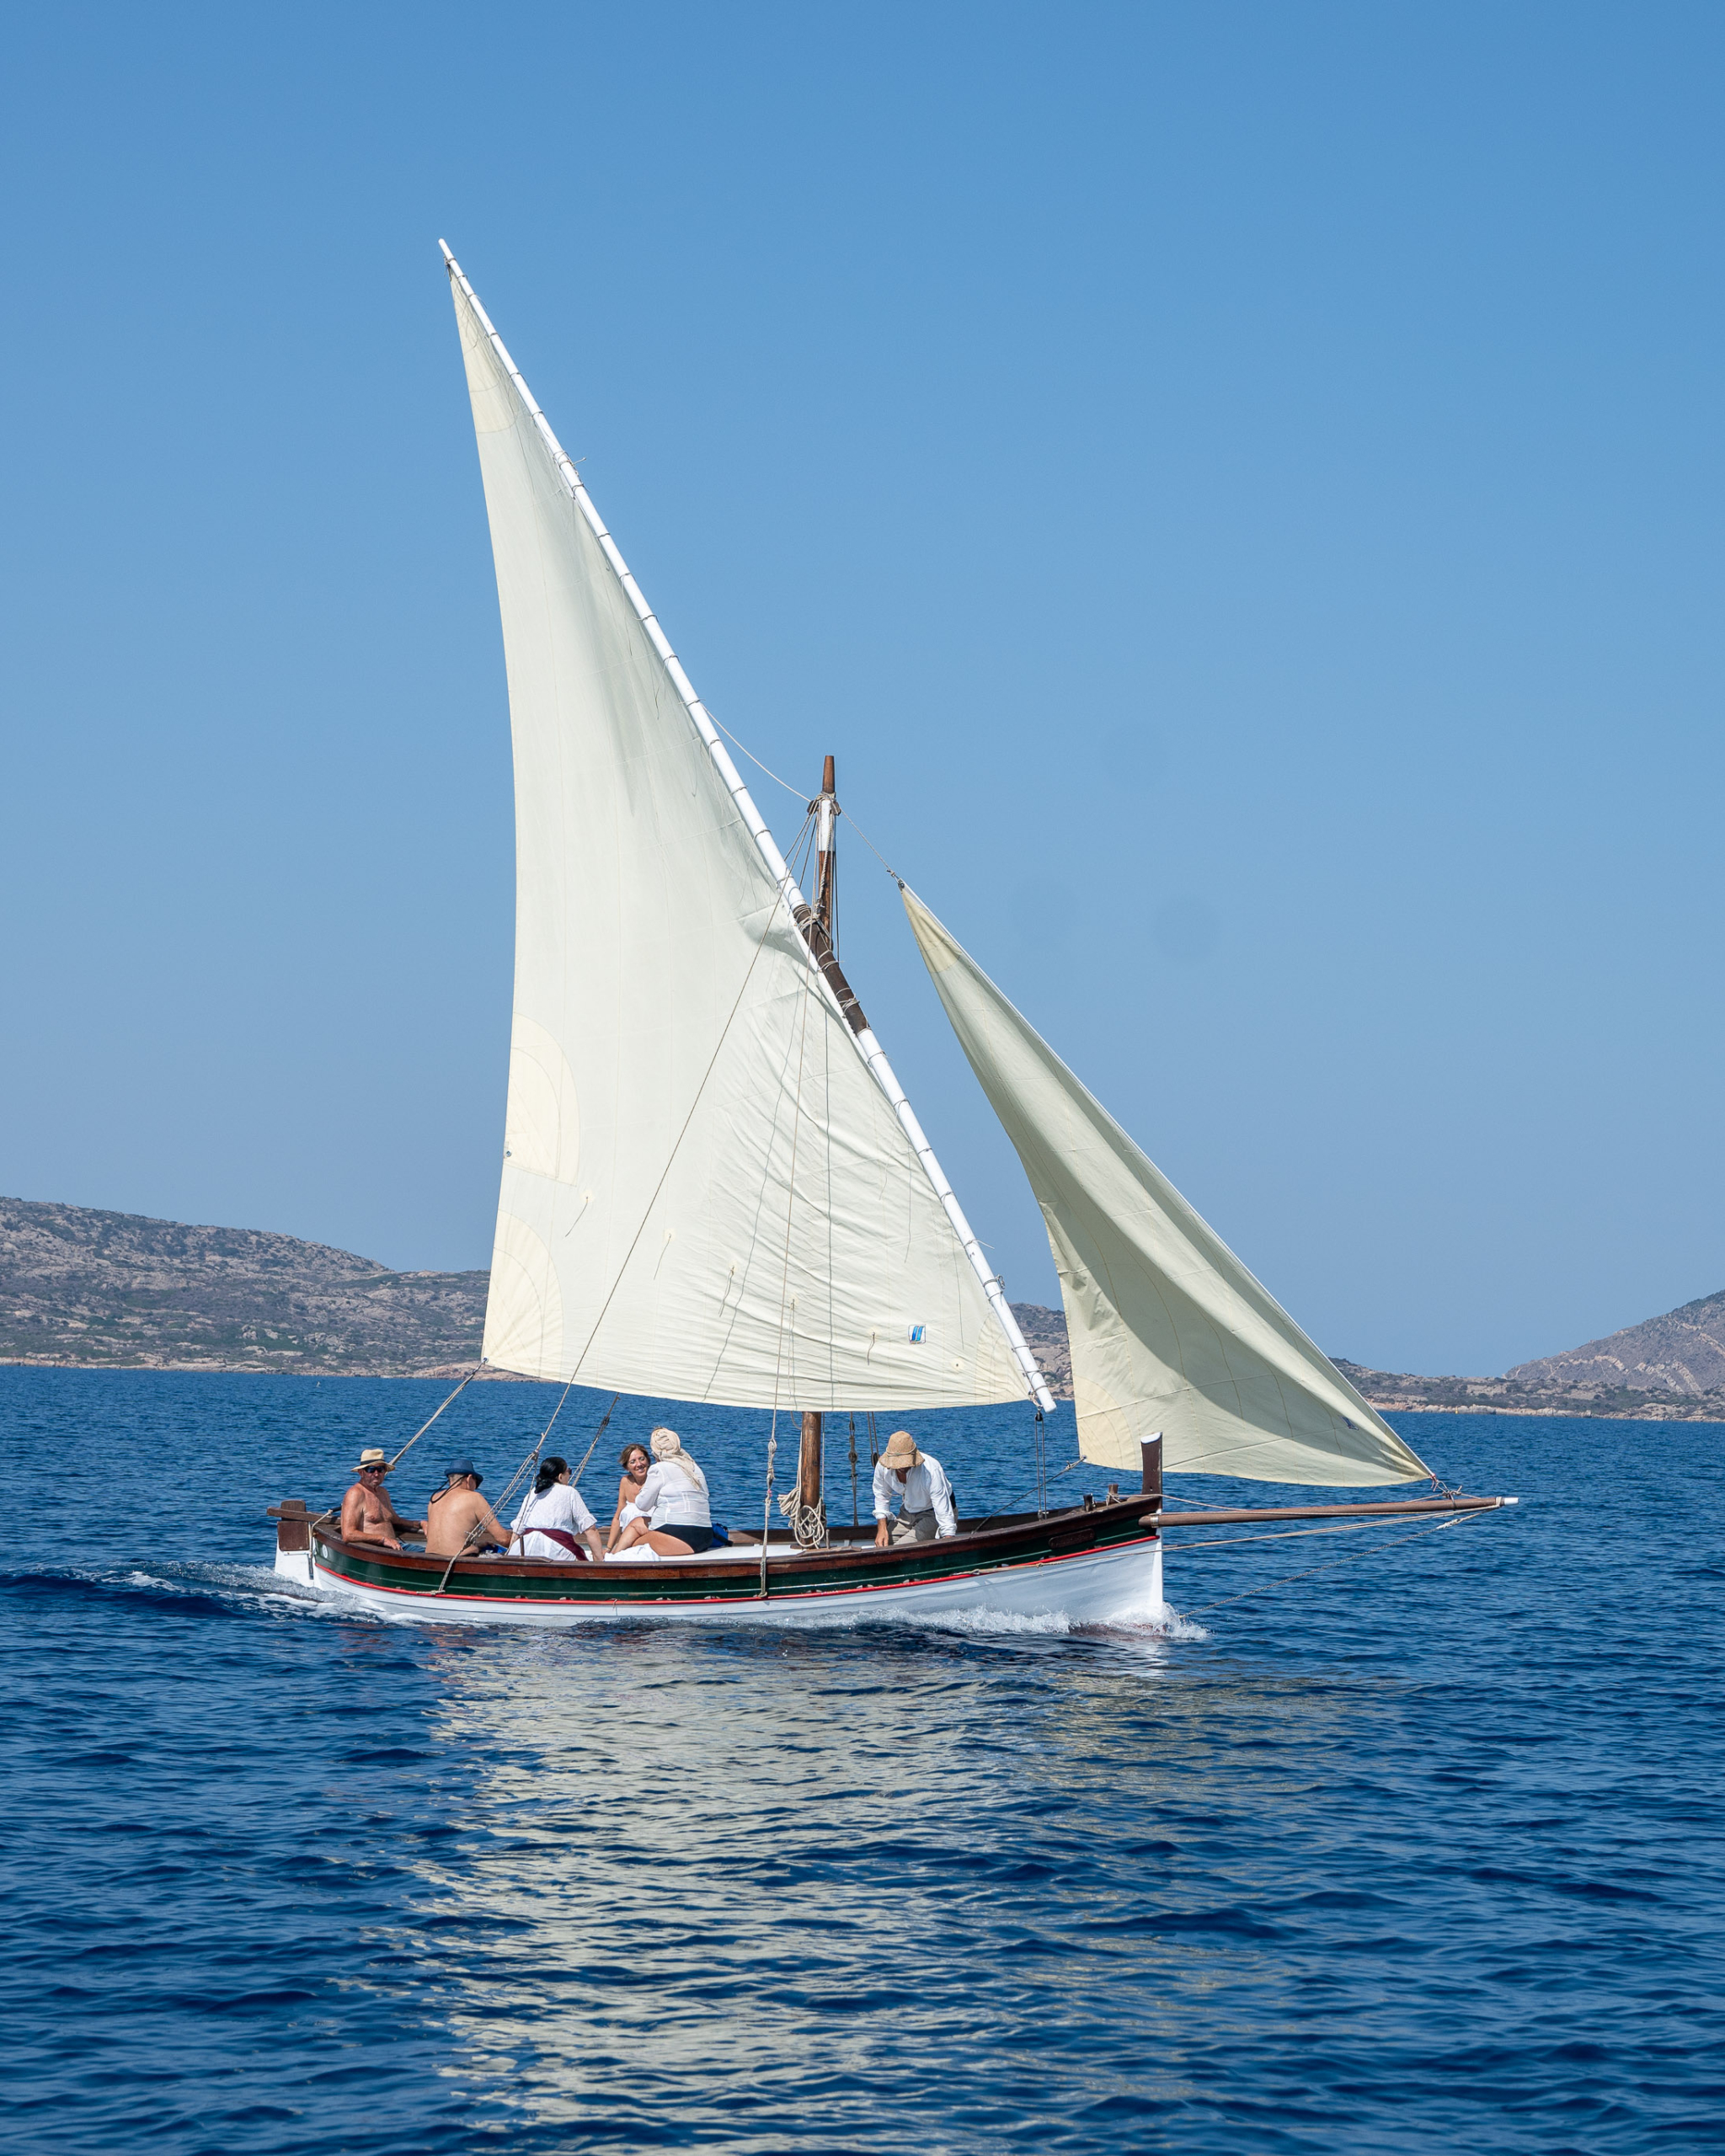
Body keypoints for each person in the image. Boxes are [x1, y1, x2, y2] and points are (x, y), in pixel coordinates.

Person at [611, 1427, 715, 1556]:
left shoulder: (659, 1469)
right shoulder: (694, 1467)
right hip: (705, 1536)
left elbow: (642, 1505)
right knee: (637, 1522)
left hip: (680, 1537)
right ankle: (613, 1556)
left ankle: (612, 1560)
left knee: (632, 1544)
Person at [512, 1454, 605, 1562]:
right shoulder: (570, 1492)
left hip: (524, 1548)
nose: (570, 1474)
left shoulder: (532, 1493)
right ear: (560, 1476)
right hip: (555, 1550)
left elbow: (518, 1529)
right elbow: (590, 1529)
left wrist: (511, 1553)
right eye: (569, 1471)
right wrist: (598, 1560)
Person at [873, 1429, 957, 1545]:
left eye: (906, 1462)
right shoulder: (882, 1467)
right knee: (883, 1544)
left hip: (934, 1513)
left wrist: (948, 1539)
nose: (903, 1466)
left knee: (899, 1548)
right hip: (908, 1512)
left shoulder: (931, 1470)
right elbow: (881, 1495)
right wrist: (882, 1529)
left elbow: (943, 1510)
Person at [424, 1460, 512, 1558]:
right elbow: (503, 1539)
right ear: (469, 1479)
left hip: (430, 1558)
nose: (476, 1488)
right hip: (460, 1560)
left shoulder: (434, 1499)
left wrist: (476, 1546)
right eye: (476, 1483)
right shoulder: (474, 1498)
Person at [340, 1448, 423, 1550]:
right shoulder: (356, 1494)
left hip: (396, 1547)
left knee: (430, 1553)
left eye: (380, 1469)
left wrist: (420, 1524)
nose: (376, 1474)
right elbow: (348, 1534)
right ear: (361, 1472)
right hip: (374, 1551)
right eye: (371, 1470)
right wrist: (383, 1539)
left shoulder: (383, 1493)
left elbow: (396, 1520)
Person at [605, 1440, 653, 1553]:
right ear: (627, 1467)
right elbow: (617, 1517)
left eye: (642, 1459)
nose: (639, 1464)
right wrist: (608, 1548)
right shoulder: (625, 1482)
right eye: (633, 1462)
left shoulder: (655, 1480)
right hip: (627, 1541)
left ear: (648, 1460)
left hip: (650, 1541)